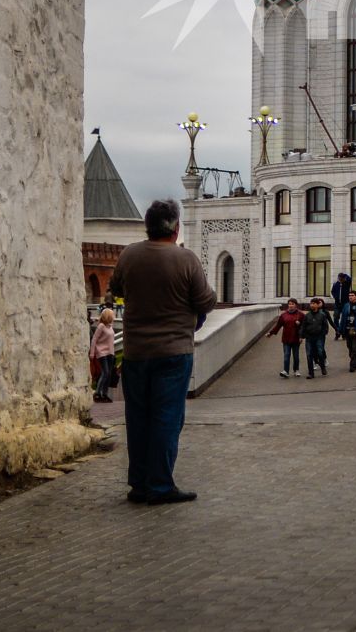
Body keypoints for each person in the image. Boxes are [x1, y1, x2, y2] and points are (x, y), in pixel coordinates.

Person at [107, 199, 216, 506]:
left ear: (147, 226)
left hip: (135, 351)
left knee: (138, 418)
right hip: (174, 352)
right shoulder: (186, 259)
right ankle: (159, 485)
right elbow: (205, 301)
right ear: (175, 227)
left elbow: (115, 289)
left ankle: (139, 484)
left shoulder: (129, 255)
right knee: (167, 418)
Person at [266, 297, 304, 378]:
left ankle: (296, 370)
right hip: (286, 339)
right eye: (289, 304)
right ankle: (286, 371)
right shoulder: (283, 315)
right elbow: (278, 326)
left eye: (292, 304)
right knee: (286, 355)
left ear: (296, 305)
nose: (291, 306)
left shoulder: (300, 315)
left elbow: (304, 326)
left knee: (296, 356)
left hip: (296, 338)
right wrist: (270, 333)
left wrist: (300, 328)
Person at [90, 306, 118, 402]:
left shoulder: (110, 326)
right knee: (105, 372)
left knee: (109, 374)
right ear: (107, 316)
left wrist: (113, 353)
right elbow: (94, 339)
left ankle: (104, 394)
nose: (113, 317)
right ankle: (98, 393)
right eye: (112, 315)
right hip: (102, 352)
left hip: (110, 353)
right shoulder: (101, 326)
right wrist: (92, 353)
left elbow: (111, 341)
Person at [301, 296, 333, 378]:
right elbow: (303, 326)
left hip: (319, 337)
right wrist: (302, 336)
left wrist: (323, 334)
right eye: (311, 303)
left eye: (314, 303)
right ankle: (311, 373)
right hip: (309, 337)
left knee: (320, 352)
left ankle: (323, 367)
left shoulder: (322, 315)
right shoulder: (307, 315)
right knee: (309, 355)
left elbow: (325, 326)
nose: (312, 305)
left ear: (318, 305)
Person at [330, 270, 352, 338]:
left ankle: (343, 332)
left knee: (344, 318)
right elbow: (332, 291)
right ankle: (338, 330)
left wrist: (344, 275)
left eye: (341, 278)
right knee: (335, 317)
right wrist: (335, 297)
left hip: (345, 303)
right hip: (337, 304)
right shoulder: (335, 284)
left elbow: (349, 278)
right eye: (339, 278)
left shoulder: (346, 283)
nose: (340, 280)